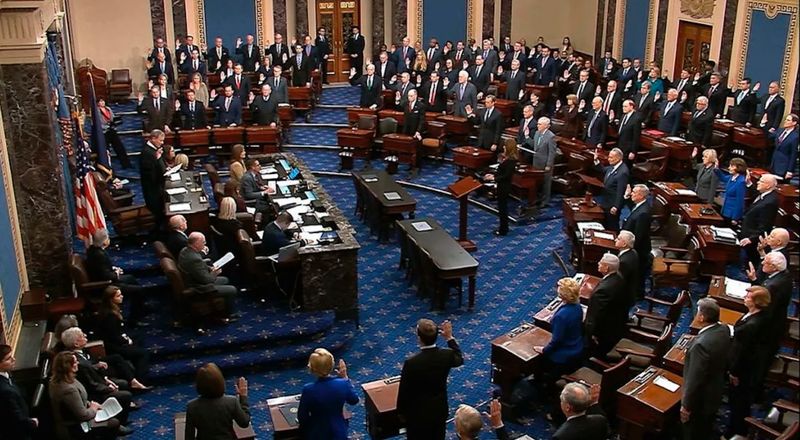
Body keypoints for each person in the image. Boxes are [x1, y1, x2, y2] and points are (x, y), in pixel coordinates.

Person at [397, 319, 464, 439]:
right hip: (439, 409)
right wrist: (449, 337)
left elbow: (404, 391)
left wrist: (401, 414)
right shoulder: (446, 355)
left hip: (417, 414)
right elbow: (459, 358)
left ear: (419, 338)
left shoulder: (412, 363)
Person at [681, 298, 732, 440]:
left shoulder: (700, 345)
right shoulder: (724, 329)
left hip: (701, 400)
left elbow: (694, 379)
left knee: (692, 432)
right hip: (716, 389)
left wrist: (686, 406)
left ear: (702, 317)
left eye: (697, 313)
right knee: (705, 427)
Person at [49, 351, 127, 440]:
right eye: (75, 362)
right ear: (68, 367)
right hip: (74, 427)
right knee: (114, 423)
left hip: (79, 417)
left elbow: (77, 400)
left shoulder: (66, 379)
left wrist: (89, 404)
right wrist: (94, 408)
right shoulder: (68, 389)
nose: (77, 363)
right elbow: (83, 415)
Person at [726, 286, 771, 438]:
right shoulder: (756, 315)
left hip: (743, 370)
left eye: (749, 297)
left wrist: (734, 372)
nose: (745, 298)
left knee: (738, 402)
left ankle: (736, 432)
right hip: (747, 365)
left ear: (756, 302)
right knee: (739, 400)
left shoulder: (752, 326)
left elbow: (742, 353)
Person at [533, 278, 585, 391]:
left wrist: (544, 350)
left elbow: (557, 340)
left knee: (537, 359)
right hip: (577, 347)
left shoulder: (561, 316)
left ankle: (542, 386)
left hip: (564, 353)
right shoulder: (578, 307)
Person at [85, 229, 147, 323]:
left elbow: (101, 268)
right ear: (105, 241)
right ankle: (134, 320)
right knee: (139, 290)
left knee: (130, 278)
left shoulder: (93, 250)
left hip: (104, 279)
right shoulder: (99, 255)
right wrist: (116, 273)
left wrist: (113, 269)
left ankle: (140, 306)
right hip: (105, 286)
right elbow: (105, 276)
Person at [297, 348, 358, 439]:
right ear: (332, 365)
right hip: (339, 431)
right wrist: (345, 377)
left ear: (312, 369)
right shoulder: (343, 383)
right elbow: (354, 400)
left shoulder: (308, 389)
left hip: (317, 433)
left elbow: (302, 417)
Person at [178, 232, 238, 319]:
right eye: (203, 242)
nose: (205, 244)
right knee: (232, 289)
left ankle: (222, 307)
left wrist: (210, 268)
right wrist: (214, 273)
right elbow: (207, 280)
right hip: (199, 288)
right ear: (196, 243)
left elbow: (200, 266)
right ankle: (228, 315)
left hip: (194, 279)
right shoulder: (194, 259)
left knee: (225, 279)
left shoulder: (185, 250)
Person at [185, 363, 250, 440]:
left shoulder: (191, 407)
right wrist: (243, 397)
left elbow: (189, 436)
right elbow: (244, 423)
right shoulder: (232, 402)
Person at [585, 254, 628, 358]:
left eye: (600, 263)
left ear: (607, 268)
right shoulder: (619, 277)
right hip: (617, 324)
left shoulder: (602, 291)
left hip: (604, 333)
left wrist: (592, 333)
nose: (598, 264)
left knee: (595, 351)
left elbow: (597, 315)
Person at [739, 173, 779, 267]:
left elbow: (765, 226)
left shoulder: (770, 202)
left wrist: (751, 238)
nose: (757, 183)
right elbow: (756, 194)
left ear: (768, 185)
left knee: (747, 265)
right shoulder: (765, 195)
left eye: (761, 181)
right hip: (746, 232)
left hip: (752, 241)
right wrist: (749, 183)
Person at [0, 345, 38, 440]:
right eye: (8, 359)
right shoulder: (5, 390)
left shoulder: (7, 374)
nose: (13, 359)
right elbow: (15, 417)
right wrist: (31, 423)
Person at [622, 184, 652, 296]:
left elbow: (639, 235)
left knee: (638, 273)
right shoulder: (640, 205)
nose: (632, 194)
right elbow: (633, 210)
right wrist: (626, 197)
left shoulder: (644, 213)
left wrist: (629, 249)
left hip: (639, 249)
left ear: (641, 195)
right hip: (635, 246)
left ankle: (638, 295)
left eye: (634, 192)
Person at [483, 141, 518, 236]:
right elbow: (501, 173)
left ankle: (503, 230)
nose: (504, 148)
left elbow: (506, 176)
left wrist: (494, 178)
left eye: (505, 147)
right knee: (501, 208)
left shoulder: (511, 161)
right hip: (501, 186)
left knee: (503, 209)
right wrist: (493, 175)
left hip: (504, 187)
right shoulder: (507, 159)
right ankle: (503, 228)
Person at [595, 148, 629, 230]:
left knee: (612, 225)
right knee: (605, 222)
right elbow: (604, 170)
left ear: (618, 158)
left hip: (612, 204)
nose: (608, 159)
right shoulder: (612, 166)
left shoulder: (623, 172)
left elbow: (620, 191)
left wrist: (616, 206)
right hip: (606, 200)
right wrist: (596, 160)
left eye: (611, 157)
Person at [96, 98, 131, 169]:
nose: (102, 102)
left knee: (119, 147)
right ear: (97, 103)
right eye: (100, 101)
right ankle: (107, 167)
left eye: (103, 101)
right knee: (106, 150)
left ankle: (126, 164)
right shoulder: (96, 111)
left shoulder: (108, 109)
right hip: (104, 132)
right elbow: (98, 122)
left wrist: (115, 122)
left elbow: (112, 118)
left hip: (111, 130)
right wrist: (107, 125)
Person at [714, 157, 748, 224]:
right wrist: (716, 168)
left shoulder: (741, 182)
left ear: (739, 168)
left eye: (732, 166)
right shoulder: (731, 177)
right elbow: (723, 178)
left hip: (732, 214)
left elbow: (739, 201)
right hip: (725, 210)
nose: (729, 168)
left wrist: (735, 218)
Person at [615, 230, 640, 308]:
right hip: (630, 291)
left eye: (618, 239)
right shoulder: (632, 252)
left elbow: (618, 282)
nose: (615, 239)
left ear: (624, 244)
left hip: (623, 297)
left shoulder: (624, 262)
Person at [770, 113, 798, 180]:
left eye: (788, 120)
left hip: (783, 166)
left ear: (794, 123)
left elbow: (793, 154)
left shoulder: (795, 137)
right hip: (773, 163)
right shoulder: (780, 130)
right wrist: (763, 124)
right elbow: (769, 136)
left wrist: (790, 171)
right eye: (785, 119)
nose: (785, 121)